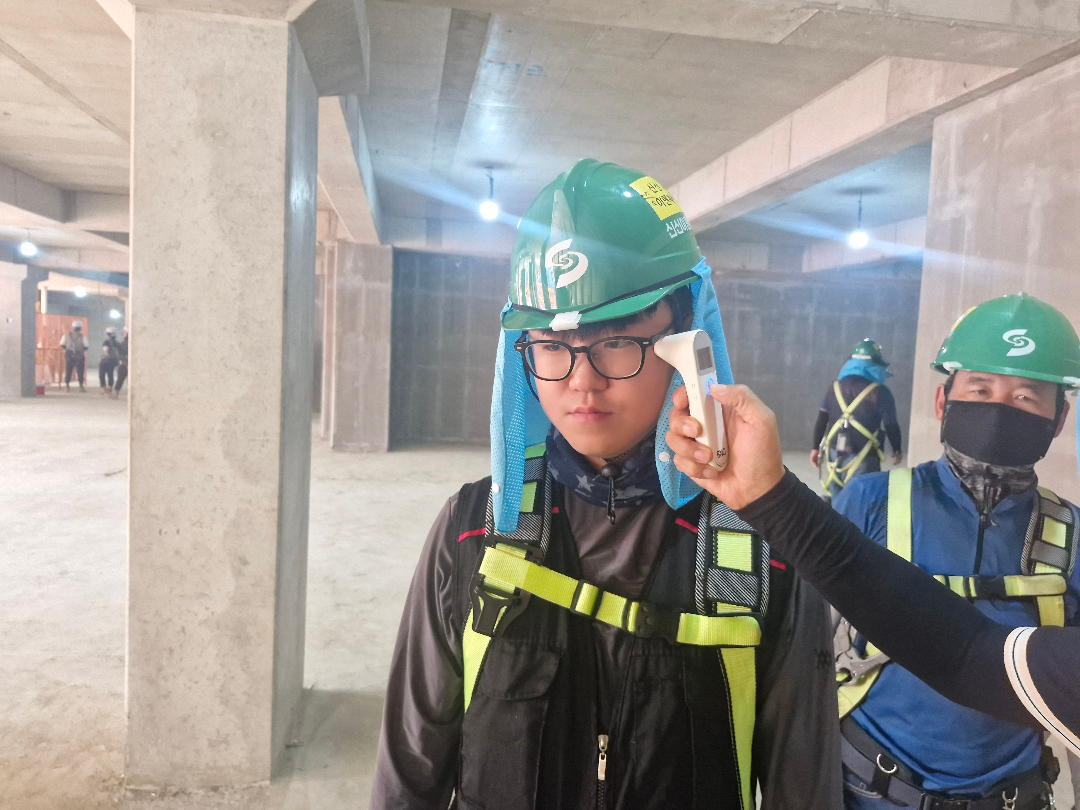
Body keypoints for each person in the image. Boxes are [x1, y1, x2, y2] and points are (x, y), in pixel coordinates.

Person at [370, 159, 842, 810]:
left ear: (686, 341)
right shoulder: (473, 531)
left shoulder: (766, 549)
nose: (581, 381)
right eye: (552, 345)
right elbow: (408, 775)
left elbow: (804, 788)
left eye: (617, 341)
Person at [676, 293, 1080, 810]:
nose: (999, 410)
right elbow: (803, 653)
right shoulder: (872, 500)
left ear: (1059, 419)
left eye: (1026, 397)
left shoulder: (1069, 534)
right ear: (943, 402)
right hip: (870, 790)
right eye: (980, 389)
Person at [812, 339, 902, 499]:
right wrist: (897, 449)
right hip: (864, 456)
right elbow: (891, 425)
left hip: (834, 453)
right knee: (862, 503)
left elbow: (822, 419)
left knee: (837, 503)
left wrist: (815, 448)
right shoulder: (880, 392)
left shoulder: (834, 388)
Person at [60, 321, 88, 391]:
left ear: (73, 328)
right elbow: (86, 346)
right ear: (80, 328)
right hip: (79, 355)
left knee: (68, 370)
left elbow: (62, 344)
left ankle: (67, 386)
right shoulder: (83, 337)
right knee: (80, 371)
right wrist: (80, 350)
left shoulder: (66, 336)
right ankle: (81, 386)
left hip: (69, 354)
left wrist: (68, 349)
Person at [99, 326, 119, 394]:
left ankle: (103, 387)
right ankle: (110, 387)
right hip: (113, 361)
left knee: (101, 373)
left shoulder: (106, 342)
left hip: (105, 360)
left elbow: (105, 350)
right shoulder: (117, 343)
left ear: (108, 335)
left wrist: (106, 355)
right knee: (110, 374)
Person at [111, 327, 128, 399]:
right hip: (125, 363)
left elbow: (120, 352)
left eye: (124, 333)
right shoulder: (125, 343)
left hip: (124, 364)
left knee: (120, 378)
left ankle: (116, 393)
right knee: (120, 378)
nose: (123, 334)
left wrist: (121, 362)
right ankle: (116, 393)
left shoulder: (125, 343)